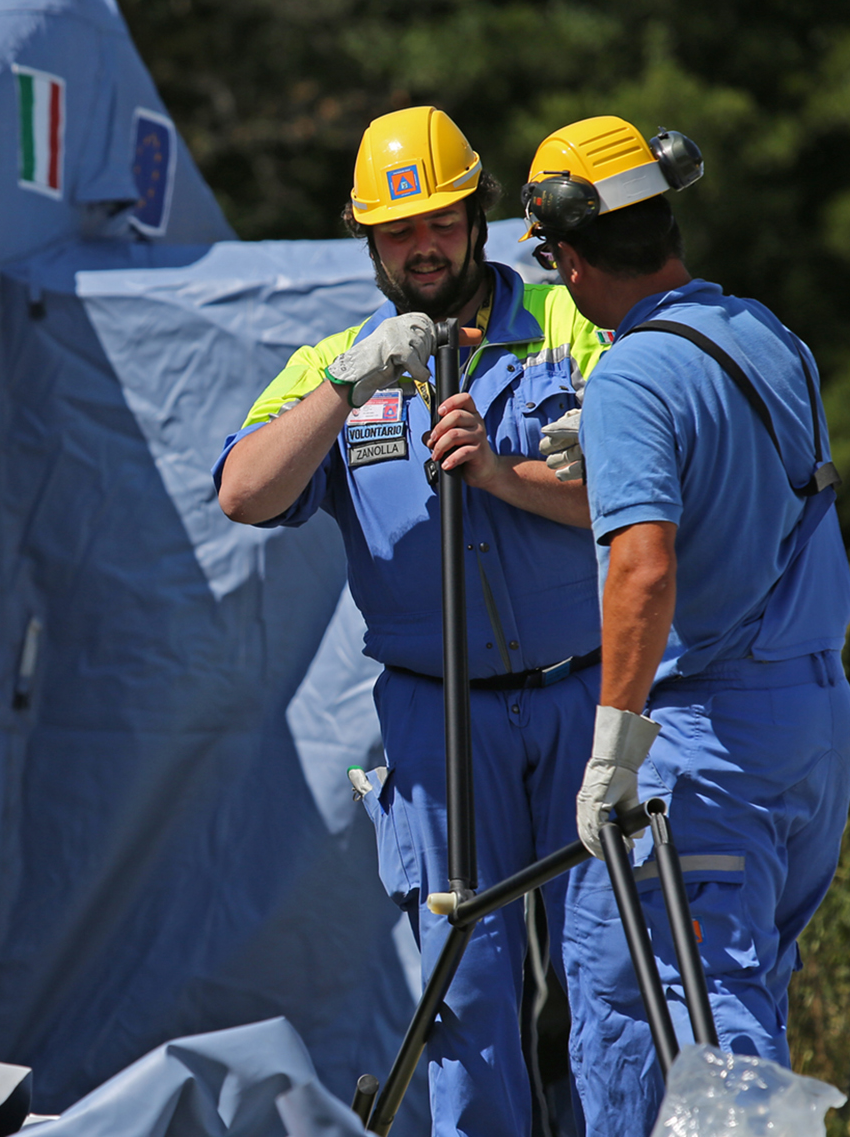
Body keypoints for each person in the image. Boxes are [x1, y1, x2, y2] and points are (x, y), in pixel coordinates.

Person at [215, 106, 608, 1137]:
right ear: (368, 242)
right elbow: (242, 495)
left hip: (582, 693)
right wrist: (351, 386)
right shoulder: (335, 361)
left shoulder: (572, 326)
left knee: (600, 982)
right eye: (395, 233)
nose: (420, 248)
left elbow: (652, 501)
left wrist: (501, 472)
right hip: (437, 726)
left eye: (437, 222)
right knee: (461, 994)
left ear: (475, 221)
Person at [517, 116, 850, 1134]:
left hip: (703, 748)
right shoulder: (763, 332)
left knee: (708, 1024)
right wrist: (619, 443)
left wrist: (611, 752)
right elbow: (748, 482)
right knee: (653, 991)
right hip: (807, 724)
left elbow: (642, 566)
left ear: (568, 262)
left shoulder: (630, 375)